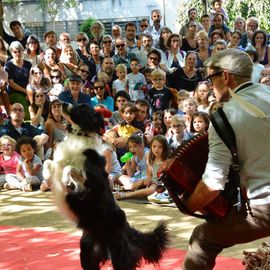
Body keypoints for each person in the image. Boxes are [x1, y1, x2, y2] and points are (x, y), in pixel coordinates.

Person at [182, 48, 270, 270]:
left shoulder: (224, 116)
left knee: (201, 240)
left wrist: (188, 205)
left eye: (211, 79)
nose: (211, 87)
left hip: (264, 207)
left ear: (226, 76)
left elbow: (213, 184)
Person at [4, 41, 32, 120]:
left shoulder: (28, 64)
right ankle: (28, 123)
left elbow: (31, 79)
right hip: (15, 92)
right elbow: (11, 83)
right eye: (15, 52)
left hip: (28, 90)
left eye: (19, 51)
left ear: (23, 51)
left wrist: (29, 91)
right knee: (24, 109)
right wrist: (25, 91)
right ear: (11, 53)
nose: (17, 54)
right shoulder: (8, 65)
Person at [146, 135, 171, 204]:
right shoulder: (150, 158)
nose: (156, 149)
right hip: (153, 183)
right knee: (149, 188)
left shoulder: (167, 160)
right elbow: (149, 175)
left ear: (164, 148)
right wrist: (149, 180)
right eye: (154, 146)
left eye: (160, 147)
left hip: (163, 184)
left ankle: (126, 195)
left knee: (151, 189)